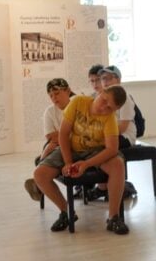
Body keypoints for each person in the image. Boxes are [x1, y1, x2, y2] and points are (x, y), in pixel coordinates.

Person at [30, 85, 130, 234]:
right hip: (72, 147)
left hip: (96, 150)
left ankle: (113, 217)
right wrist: (68, 162)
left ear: (115, 110)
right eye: (104, 100)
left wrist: (87, 164)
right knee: (40, 174)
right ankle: (66, 212)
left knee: (118, 165)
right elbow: (63, 134)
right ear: (101, 93)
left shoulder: (110, 119)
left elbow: (112, 149)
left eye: (110, 108)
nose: (103, 108)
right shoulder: (78, 102)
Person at [89, 65, 138, 200]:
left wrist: (103, 136)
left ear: (118, 80)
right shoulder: (102, 97)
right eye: (103, 78)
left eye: (108, 78)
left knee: (102, 148)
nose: (104, 82)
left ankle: (104, 187)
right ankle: (100, 185)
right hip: (111, 134)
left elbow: (123, 127)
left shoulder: (124, 97)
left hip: (125, 136)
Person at [23, 77, 73, 202]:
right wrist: (67, 135)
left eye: (57, 93)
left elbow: (80, 134)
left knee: (47, 151)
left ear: (68, 91)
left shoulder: (77, 105)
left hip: (72, 147)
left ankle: (38, 183)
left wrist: (61, 137)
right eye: (51, 96)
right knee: (49, 148)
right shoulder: (50, 111)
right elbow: (50, 136)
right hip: (58, 146)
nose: (54, 98)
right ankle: (39, 182)